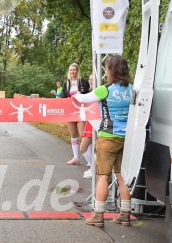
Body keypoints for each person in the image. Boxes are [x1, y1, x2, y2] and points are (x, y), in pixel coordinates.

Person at [73, 55, 133, 227]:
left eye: (106, 69)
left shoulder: (106, 89)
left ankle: (98, 215)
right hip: (127, 139)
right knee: (122, 176)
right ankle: (125, 214)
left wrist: (76, 95)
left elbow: (84, 99)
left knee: (103, 177)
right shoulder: (132, 89)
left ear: (111, 71)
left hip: (108, 137)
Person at [62, 63, 90, 165]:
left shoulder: (83, 82)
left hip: (81, 112)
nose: (72, 72)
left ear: (77, 71)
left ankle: (89, 158)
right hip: (70, 112)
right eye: (70, 70)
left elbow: (88, 95)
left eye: (74, 70)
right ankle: (76, 158)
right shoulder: (67, 84)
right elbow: (63, 98)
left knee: (83, 134)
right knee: (73, 135)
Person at [80, 74, 95, 178]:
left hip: (96, 122)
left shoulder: (99, 92)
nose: (90, 81)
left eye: (93, 80)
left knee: (85, 147)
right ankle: (94, 168)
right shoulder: (90, 92)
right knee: (85, 147)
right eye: (89, 80)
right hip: (90, 121)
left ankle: (95, 169)